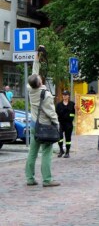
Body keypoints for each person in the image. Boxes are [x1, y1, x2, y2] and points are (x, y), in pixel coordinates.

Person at [25, 47, 60, 187]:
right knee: (46, 152)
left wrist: (37, 57)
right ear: (40, 83)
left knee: (32, 152)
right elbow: (51, 113)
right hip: (45, 126)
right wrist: (57, 124)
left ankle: (30, 178)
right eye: (39, 78)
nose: (39, 76)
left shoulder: (30, 89)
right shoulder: (45, 95)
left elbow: (34, 73)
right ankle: (47, 180)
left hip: (34, 124)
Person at [56, 90, 75, 158]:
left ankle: (67, 152)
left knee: (68, 138)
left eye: (66, 95)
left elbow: (74, 113)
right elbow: (57, 113)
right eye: (63, 95)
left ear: (68, 96)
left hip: (69, 124)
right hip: (61, 123)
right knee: (59, 137)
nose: (64, 96)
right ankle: (61, 150)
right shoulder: (59, 105)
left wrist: (69, 116)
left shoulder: (72, 104)